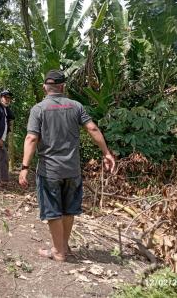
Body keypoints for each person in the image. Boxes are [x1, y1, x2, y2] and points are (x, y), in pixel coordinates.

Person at [18, 70, 115, 262]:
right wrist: (106, 153)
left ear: (45, 87)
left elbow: (31, 138)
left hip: (50, 171)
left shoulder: (38, 109)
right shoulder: (76, 106)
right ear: (63, 86)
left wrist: (24, 167)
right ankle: (64, 246)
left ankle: (58, 251)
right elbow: (92, 128)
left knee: (53, 211)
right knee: (69, 210)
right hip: (72, 170)